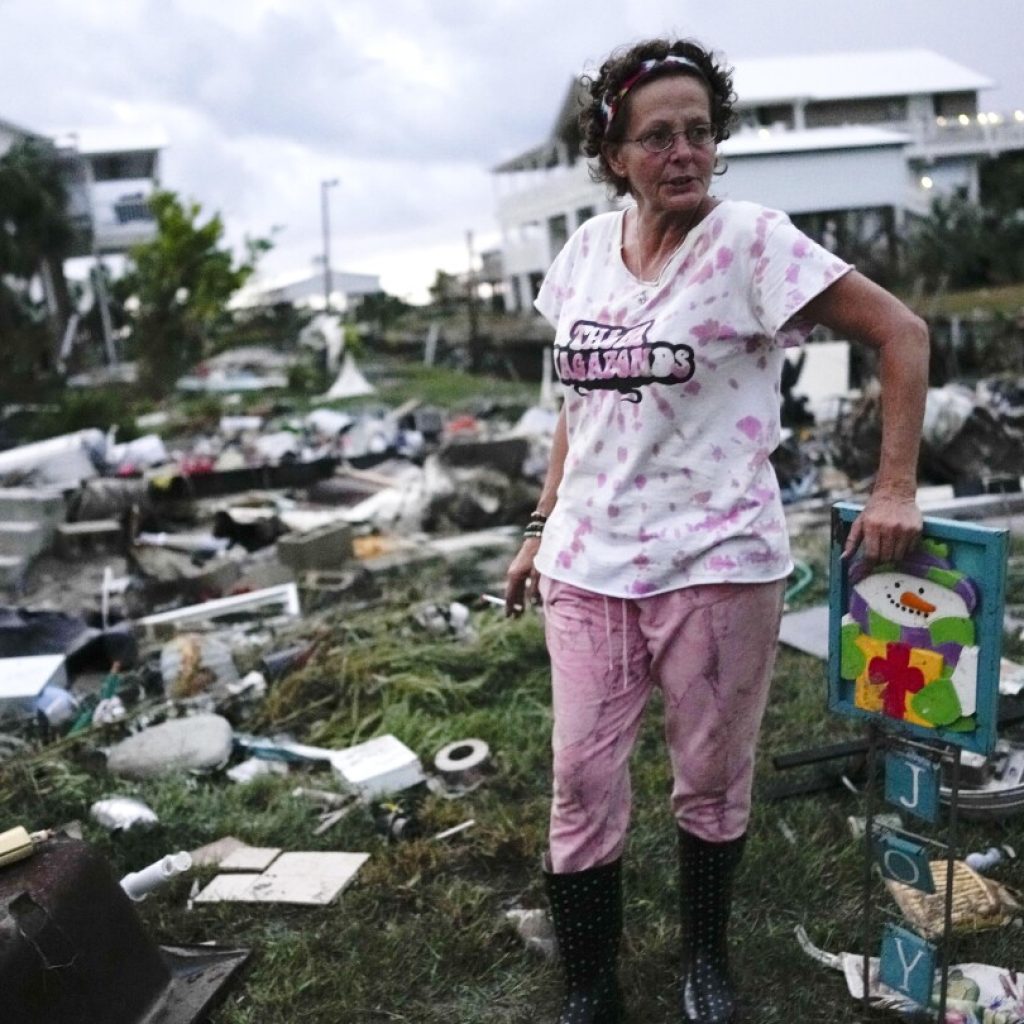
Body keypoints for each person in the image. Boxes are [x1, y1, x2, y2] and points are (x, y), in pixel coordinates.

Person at [503, 37, 928, 1024]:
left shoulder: (753, 242)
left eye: (698, 132)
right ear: (613, 152)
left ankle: (705, 960)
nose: (683, 152)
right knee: (578, 778)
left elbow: (900, 333)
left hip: (719, 560)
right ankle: (591, 986)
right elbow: (580, 403)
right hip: (588, 564)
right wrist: (538, 522)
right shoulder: (578, 258)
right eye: (657, 136)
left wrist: (893, 486)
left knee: (708, 778)